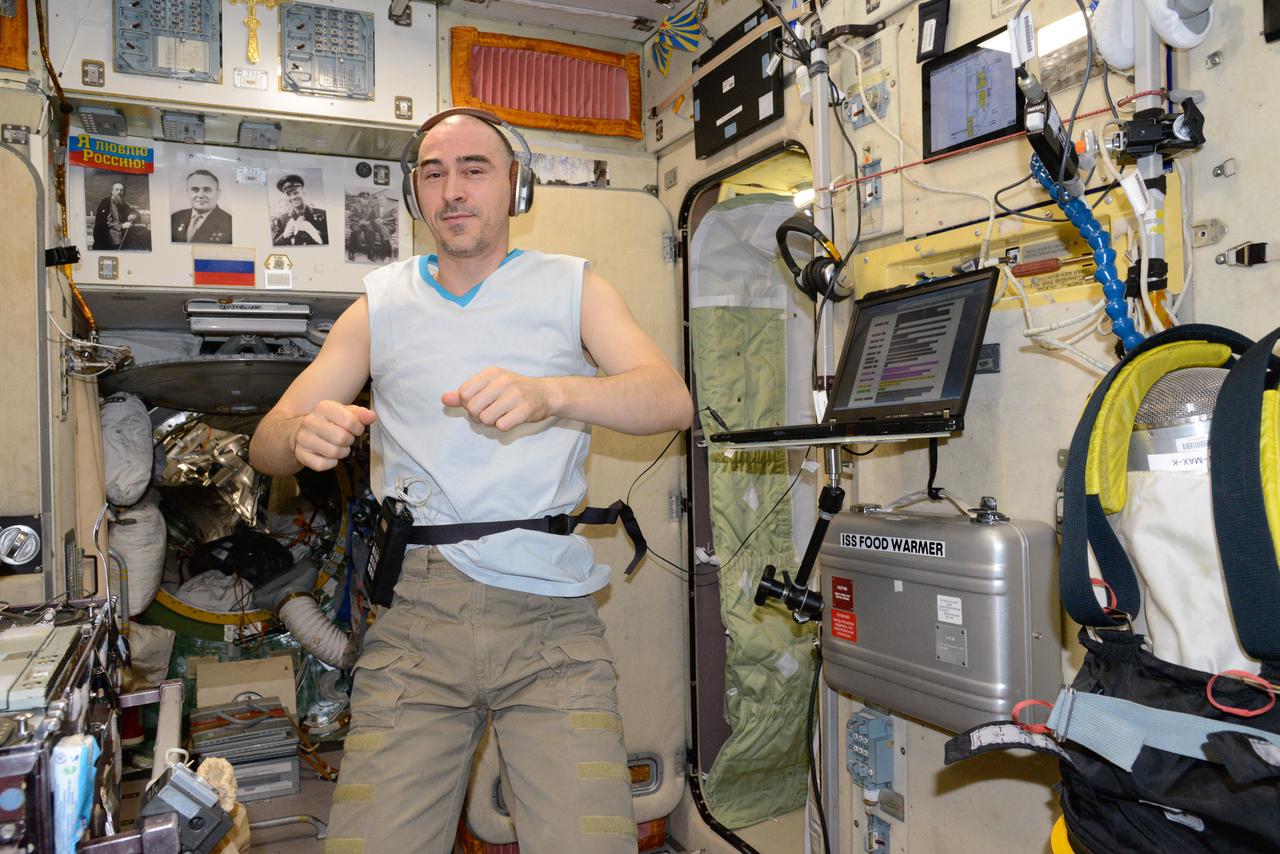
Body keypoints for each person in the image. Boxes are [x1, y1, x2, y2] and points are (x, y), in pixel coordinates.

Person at [248, 110, 692, 854]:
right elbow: (267, 442)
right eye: (433, 172)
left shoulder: (572, 287)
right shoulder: (379, 305)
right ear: (416, 193)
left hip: (551, 625)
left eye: (474, 169)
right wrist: (299, 435)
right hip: (418, 618)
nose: (453, 190)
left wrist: (554, 394)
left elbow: (668, 398)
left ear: (514, 185)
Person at [171, 169, 233, 243]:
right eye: (195, 189)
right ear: (187, 192)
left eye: (207, 190)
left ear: (218, 193)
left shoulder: (229, 223)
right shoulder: (175, 218)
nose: (200, 195)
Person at [271, 173, 328, 245]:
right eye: (288, 195)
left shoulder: (323, 214)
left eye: (296, 193)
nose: (293, 197)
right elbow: (275, 244)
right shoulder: (282, 219)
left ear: (303, 193)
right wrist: (284, 236)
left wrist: (314, 232)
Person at [92, 181, 138, 250]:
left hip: (120, 238)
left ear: (124, 193)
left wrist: (133, 215)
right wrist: (122, 226)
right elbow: (102, 222)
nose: (119, 192)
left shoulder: (122, 204)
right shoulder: (105, 202)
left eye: (121, 190)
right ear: (112, 191)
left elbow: (134, 211)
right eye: (116, 190)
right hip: (106, 240)